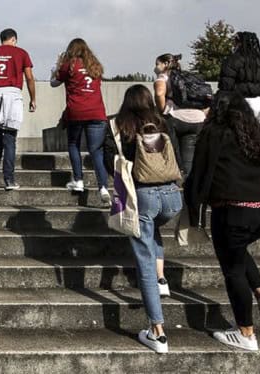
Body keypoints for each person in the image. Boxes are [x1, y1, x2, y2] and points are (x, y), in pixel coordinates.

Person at [184, 90, 260, 352]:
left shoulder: (214, 133)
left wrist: (193, 210)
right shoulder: (257, 133)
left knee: (233, 269)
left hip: (231, 211)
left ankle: (245, 333)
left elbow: (200, 172)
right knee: (237, 252)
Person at [101, 84, 181, 354]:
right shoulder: (162, 122)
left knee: (143, 259)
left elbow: (106, 159)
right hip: (172, 196)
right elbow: (177, 157)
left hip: (141, 195)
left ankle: (157, 332)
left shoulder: (118, 125)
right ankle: (162, 279)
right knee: (152, 230)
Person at [0, 28, 37, 190]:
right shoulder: (22, 53)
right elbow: (29, 78)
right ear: (14, 39)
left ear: (1, 39)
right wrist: (33, 99)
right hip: (13, 93)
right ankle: (9, 180)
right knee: (10, 137)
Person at [52, 38, 109, 204]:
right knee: (96, 151)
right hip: (97, 113)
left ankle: (78, 180)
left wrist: (56, 66)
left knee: (73, 144)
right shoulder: (95, 66)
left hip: (76, 111)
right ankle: (103, 187)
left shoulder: (69, 65)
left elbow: (54, 82)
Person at [154, 53, 208, 176]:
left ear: (166, 64)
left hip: (176, 120)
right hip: (197, 120)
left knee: (173, 154)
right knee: (188, 159)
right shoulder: (187, 77)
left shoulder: (164, 77)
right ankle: (188, 187)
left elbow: (159, 93)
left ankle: (174, 184)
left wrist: (162, 110)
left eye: (157, 64)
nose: (156, 67)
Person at [218, 32, 260, 126]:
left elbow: (226, 85)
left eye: (235, 43)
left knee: (241, 136)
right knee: (258, 136)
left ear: (239, 43)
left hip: (244, 103)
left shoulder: (233, 60)